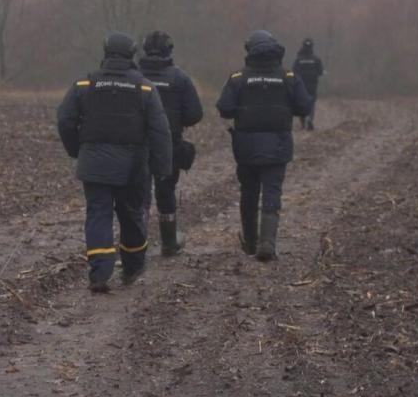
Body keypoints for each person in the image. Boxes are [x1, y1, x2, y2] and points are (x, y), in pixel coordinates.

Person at [57, 32, 172, 292]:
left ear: (106, 52)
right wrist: (162, 167)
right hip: (133, 166)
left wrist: (78, 150)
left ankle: (100, 273)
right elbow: (160, 130)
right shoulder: (144, 87)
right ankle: (132, 267)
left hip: (94, 164)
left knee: (98, 213)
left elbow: (65, 120)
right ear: (132, 54)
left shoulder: (85, 84)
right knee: (131, 215)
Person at [216, 30, 311, 261]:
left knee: (248, 193)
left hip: (246, 148)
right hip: (278, 147)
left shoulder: (238, 77)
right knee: (272, 192)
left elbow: (224, 108)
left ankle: (249, 241)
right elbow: (304, 107)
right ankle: (267, 242)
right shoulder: (288, 76)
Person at [138, 30, 203, 256]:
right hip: (169, 144)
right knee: (166, 191)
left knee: (140, 193)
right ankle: (169, 242)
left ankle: (137, 244)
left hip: (138, 145)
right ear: (169, 49)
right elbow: (195, 113)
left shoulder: (134, 76)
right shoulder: (180, 78)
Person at [292, 37, 324, 130]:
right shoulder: (316, 59)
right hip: (312, 85)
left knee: (301, 103)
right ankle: (310, 119)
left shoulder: (298, 59)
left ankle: (303, 123)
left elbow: (294, 71)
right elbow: (321, 71)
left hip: (300, 85)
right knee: (311, 103)